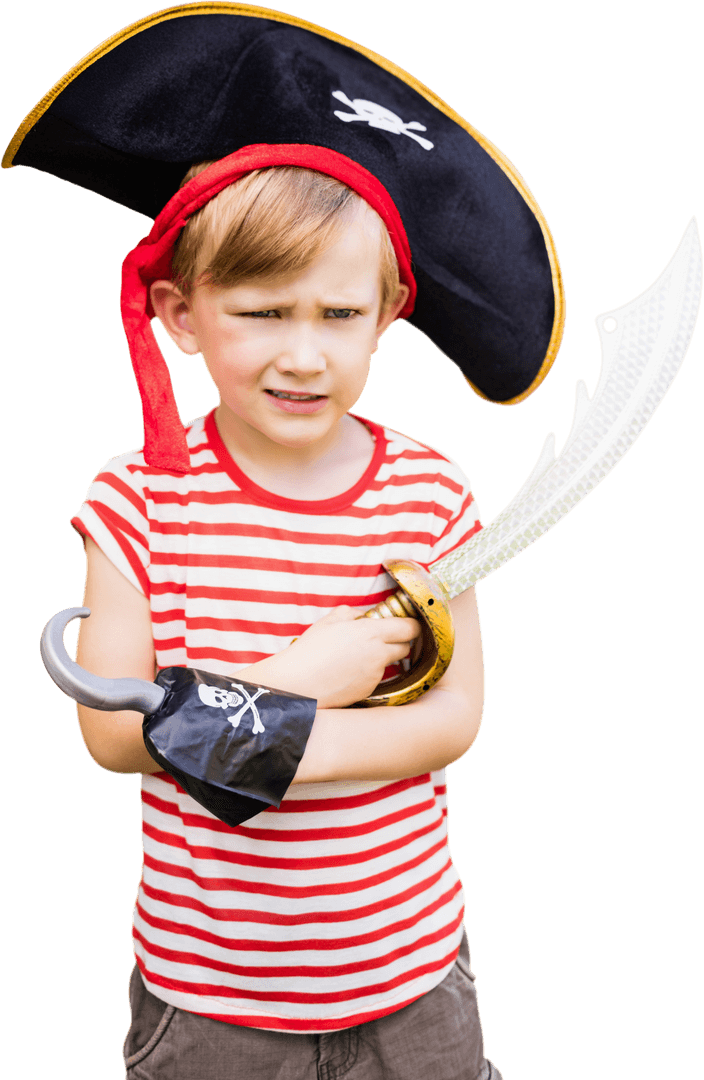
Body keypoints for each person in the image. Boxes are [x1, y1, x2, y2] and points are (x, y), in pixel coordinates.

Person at [4, 6, 565, 1076]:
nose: (301, 355)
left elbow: (454, 718)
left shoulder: (427, 488)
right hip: (211, 994)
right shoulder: (137, 500)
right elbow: (113, 736)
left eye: (337, 315)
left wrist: (251, 741)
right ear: (180, 311)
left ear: (389, 309)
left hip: (409, 975)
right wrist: (288, 687)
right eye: (259, 313)